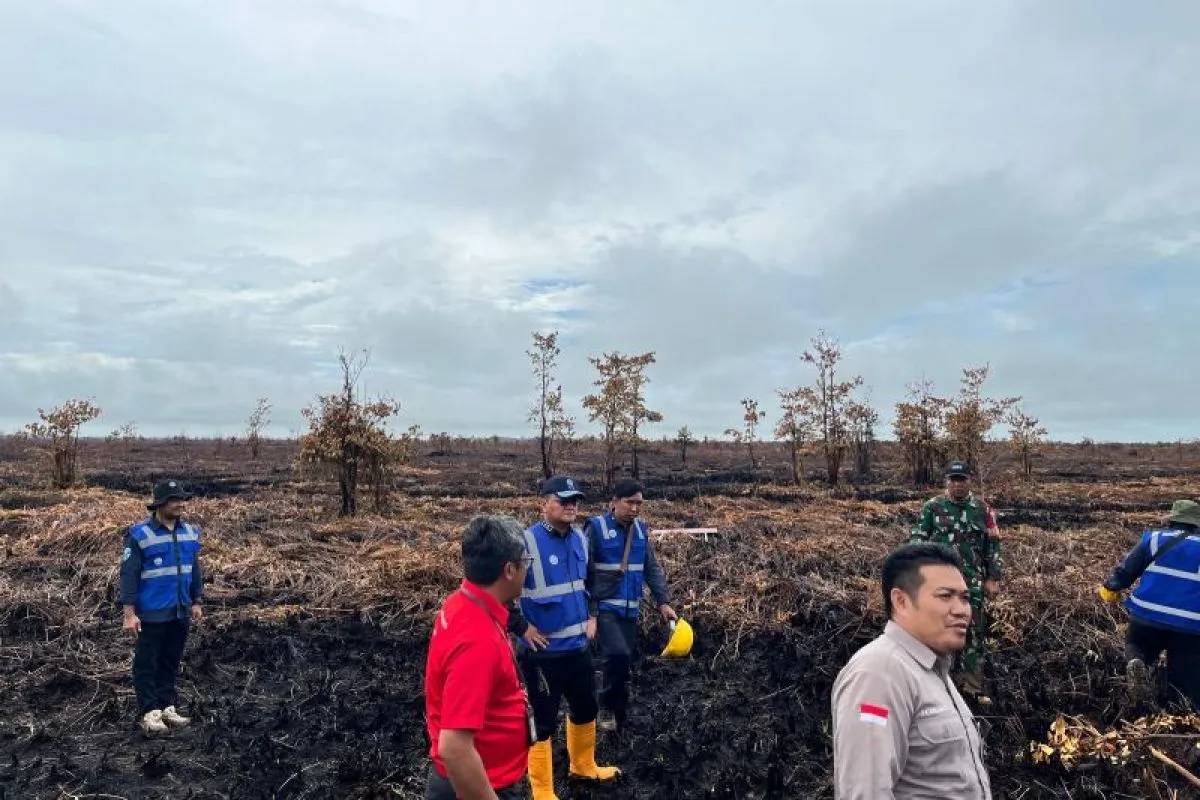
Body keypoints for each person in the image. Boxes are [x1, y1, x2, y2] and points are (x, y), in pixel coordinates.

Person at [832, 543, 993, 799]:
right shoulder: (879, 673)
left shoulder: (932, 670)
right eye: (945, 596)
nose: (961, 610)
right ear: (901, 601)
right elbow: (865, 791)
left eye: (964, 598)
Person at [516, 476, 618, 800]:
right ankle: (543, 790)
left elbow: (589, 582)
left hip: (578, 649)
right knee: (543, 722)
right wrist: (522, 629)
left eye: (575, 500)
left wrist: (592, 615)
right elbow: (498, 595)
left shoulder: (579, 538)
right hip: (543, 655)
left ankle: (583, 766)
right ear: (543, 503)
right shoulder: (525, 543)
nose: (572, 505)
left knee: (586, 708)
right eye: (563, 500)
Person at [425, 515, 533, 800]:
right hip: (478, 785)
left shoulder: (461, 602)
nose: (527, 569)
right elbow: (454, 747)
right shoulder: (477, 640)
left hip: (480, 776)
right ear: (509, 570)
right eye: (527, 562)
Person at [584, 479, 676, 732]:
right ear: (614, 501)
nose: (635, 508)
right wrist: (589, 611)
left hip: (630, 609)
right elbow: (585, 571)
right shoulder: (596, 528)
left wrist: (663, 602)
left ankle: (619, 709)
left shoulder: (640, 530)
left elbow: (651, 567)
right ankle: (604, 706)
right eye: (630, 502)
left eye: (639, 504)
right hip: (604, 608)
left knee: (623, 661)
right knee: (616, 654)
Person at [908, 461, 1001, 698]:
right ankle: (938, 685)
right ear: (947, 481)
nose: (958, 484)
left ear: (970, 480)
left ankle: (972, 687)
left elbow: (993, 545)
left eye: (962, 479)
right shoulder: (933, 507)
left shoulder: (983, 509)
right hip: (940, 583)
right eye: (953, 479)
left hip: (973, 584)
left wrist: (993, 577)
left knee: (974, 632)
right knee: (939, 630)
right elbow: (918, 538)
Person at [119, 479, 204, 737]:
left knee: (170, 660)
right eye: (174, 500)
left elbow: (194, 569)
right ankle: (148, 712)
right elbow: (129, 575)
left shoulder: (190, 532)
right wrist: (129, 613)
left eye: (182, 499)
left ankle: (167, 705)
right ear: (159, 504)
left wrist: (197, 600)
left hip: (179, 610)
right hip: (151, 613)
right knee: (147, 663)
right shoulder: (139, 534)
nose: (180, 504)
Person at [1098, 499, 1200, 708]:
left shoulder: (1153, 539)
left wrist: (1110, 588)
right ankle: (1179, 710)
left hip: (1146, 614)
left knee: (1137, 645)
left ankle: (1138, 663)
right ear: (1196, 523)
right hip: (1190, 624)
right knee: (1185, 674)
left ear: (1172, 519)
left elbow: (1127, 569)